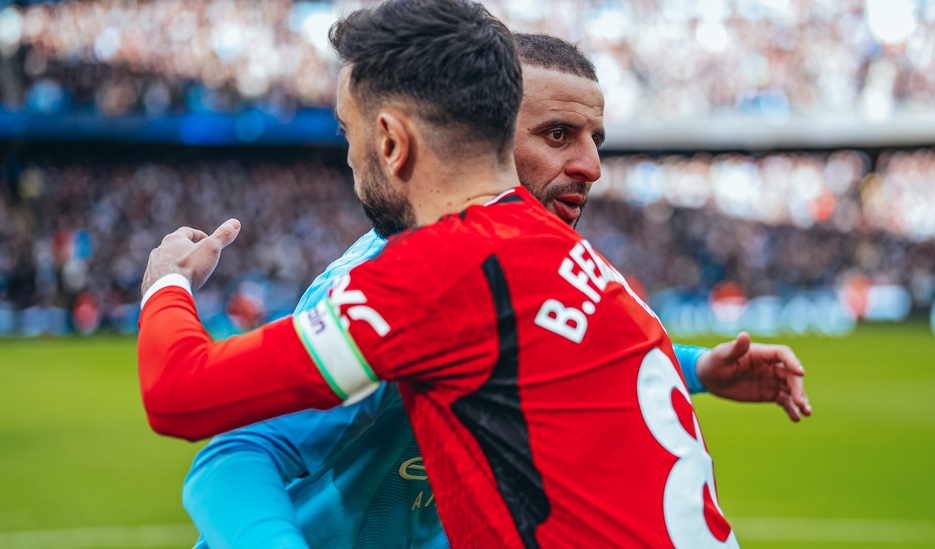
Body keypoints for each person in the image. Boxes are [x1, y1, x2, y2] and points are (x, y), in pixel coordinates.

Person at [137, 1, 804, 546]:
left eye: (350, 135)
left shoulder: (436, 273)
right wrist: (696, 368)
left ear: (392, 142)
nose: (591, 165)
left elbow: (178, 392)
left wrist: (167, 281)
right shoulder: (582, 264)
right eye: (557, 133)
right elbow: (239, 451)